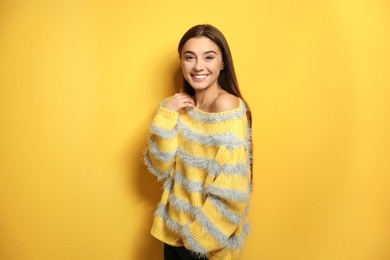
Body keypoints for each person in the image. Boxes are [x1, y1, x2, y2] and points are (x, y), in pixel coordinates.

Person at [144, 24, 253, 260]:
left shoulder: (227, 107)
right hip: (173, 236)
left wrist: (197, 238)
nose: (198, 66)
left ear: (222, 63)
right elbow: (160, 165)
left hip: (204, 245)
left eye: (209, 57)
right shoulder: (180, 108)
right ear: (181, 61)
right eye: (189, 57)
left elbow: (233, 190)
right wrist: (167, 113)